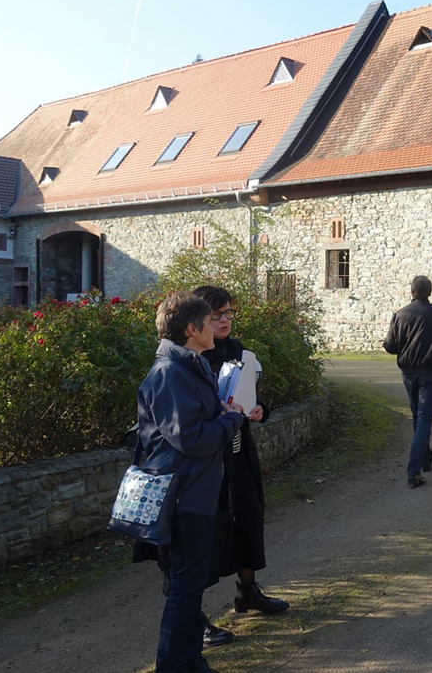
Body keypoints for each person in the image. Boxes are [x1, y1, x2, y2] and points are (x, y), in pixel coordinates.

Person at [137, 293, 244, 673]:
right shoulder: (169, 372)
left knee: (192, 582)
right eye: (209, 320)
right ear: (191, 329)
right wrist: (232, 419)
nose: (217, 325)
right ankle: (172, 665)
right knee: (185, 587)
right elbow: (192, 438)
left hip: (196, 490)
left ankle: (189, 660)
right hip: (182, 495)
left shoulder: (190, 364)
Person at [192, 285, 290, 646]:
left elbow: (248, 391)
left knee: (249, 515)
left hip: (237, 449)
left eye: (229, 313)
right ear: (197, 318)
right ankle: (194, 615)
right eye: (216, 315)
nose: (224, 321)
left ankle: (247, 591)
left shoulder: (237, 350)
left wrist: (259, 407)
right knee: (205, 532)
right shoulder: (193, 355)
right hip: (205, 458)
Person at [382, 275, 432, 488]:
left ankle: (425, 460)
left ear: (412, 292)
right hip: (431, 371)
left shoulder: (399, 315)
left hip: (408, 372)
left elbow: (390, 346)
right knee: (424, 419)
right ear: (429, 292)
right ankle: (414, 471)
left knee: (418, 417)